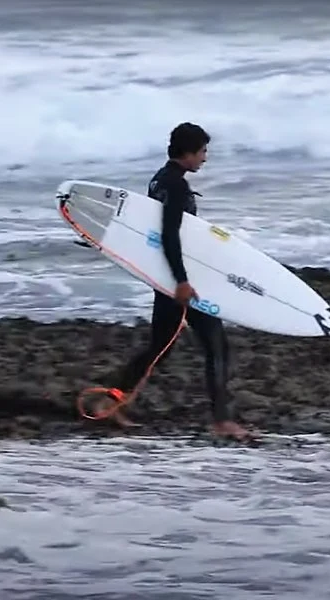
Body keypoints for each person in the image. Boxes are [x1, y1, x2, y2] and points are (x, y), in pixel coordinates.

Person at [103, 122, 251, 441]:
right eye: (202, 152)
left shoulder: (160, 179)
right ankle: (222, 421)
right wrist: (182, 282)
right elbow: (169, 234)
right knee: (216, 347)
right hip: (179, 280)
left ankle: (111, 401)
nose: (205, 159)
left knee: (159, 348)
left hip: (166, 276)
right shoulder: (177, 186)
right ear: (187, 152)